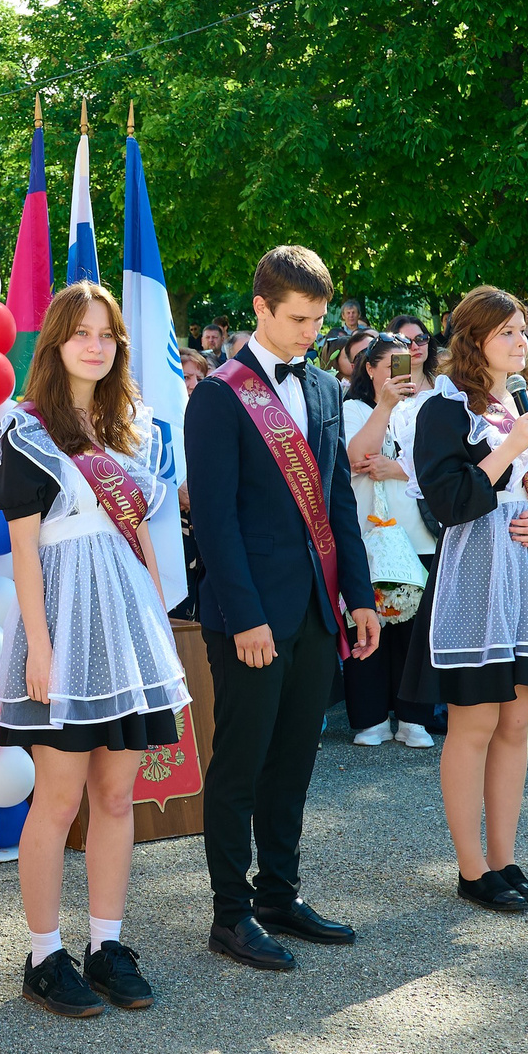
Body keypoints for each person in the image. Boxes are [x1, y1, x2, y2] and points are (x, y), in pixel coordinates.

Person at [0, 281, 188, 1019]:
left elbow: (140, 536)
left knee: (114, 794)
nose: (96, 345)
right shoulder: (24, 429)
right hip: (63, 626)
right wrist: (39, 647)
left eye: (107, 334)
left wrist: (158, 627)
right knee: (60, 796)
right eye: (82, 333)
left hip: (127, 626)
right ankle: (45, 953)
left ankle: (108, 943)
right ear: (56, 342)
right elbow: (24, 551)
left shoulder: (132, 429)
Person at [186, 245, 380, 971]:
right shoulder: (218, 395)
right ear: (261, 308)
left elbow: (336, 503)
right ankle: (230, 914)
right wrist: (245, 616)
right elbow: (213, 518)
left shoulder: (326, 389)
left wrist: (358, 596)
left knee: (296, 759)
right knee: (241, 762)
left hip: (314, 608)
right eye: (297, 318)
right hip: (251, 614)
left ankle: (279, 893)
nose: (310, 331)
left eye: (319, 319)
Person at [403, 286, 528, 914]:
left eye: (522, 330)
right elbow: (450, 505)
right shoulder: (443, 411)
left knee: (516, 723)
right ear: (475, 338)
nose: (521, 342)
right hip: (474, 576)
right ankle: (471, 868)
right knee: (476, 722)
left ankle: (506, 859)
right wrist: (507, 448)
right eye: (508, 332)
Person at [340, 335, 433, 747]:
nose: (403, 370)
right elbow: (356, 457)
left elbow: (435, 469)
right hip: (367, 534)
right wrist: (386, 406)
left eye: (407, 363)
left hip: (417, 534)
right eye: (392, 363)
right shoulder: (352, 409)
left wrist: (398, 470)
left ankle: (414, 717)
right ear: (370, 369)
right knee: (367, 621)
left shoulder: (426, 410)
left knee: (415, 632)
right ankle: (371, 718)